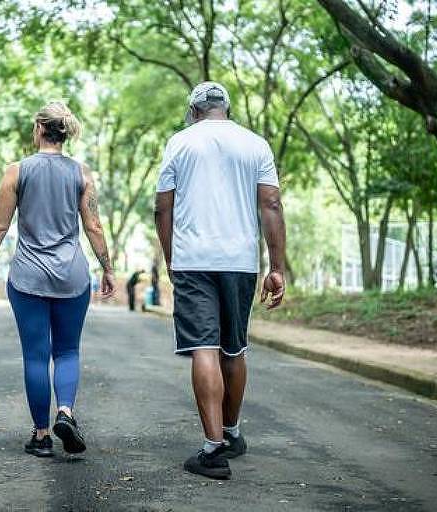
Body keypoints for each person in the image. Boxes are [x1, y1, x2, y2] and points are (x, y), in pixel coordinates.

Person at [154, 82, 286, 479]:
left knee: (203, 348)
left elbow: (163, 207)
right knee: (234, 348)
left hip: (195, 260)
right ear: (225, 109)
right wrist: (276, 266)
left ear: (194, 110)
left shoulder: (179, 142)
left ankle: (213, 451)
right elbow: (271, 203)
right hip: (240, 261)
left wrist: (172, 258)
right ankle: (231, 433)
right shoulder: (256, 144)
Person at [0, 101, 116, 457]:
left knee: (36, 356)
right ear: (64, 133)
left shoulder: (16, 172)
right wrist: (108, 268)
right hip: (72, 277)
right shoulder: (82, 173)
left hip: (28, 277)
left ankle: (41, 436)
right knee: (67, 350)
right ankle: (65, 412)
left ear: (38, 129)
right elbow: (94, 226)